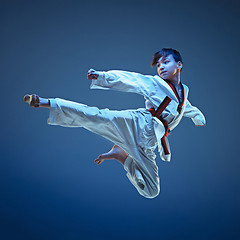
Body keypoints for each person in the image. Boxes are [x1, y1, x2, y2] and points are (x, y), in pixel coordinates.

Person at [24, 48, 206, 199]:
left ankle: (121, 156)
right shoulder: (154, 83)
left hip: (147, 144)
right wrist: (101, 76)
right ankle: (47, 102)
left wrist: (199, 118)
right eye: (158, 65)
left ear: (179, 65)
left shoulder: (183, 94)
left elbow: (188, 109)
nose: (161, 67)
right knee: (96, 116)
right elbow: (129, 79)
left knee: (152, 191)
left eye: (165, 63)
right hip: (139, 123)